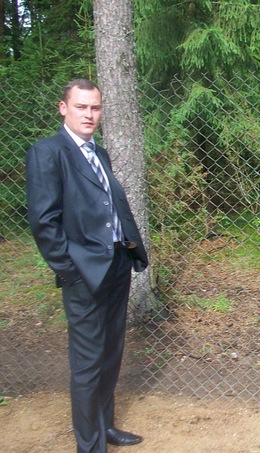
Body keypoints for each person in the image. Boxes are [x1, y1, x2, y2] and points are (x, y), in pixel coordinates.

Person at [26, 78, 149, 452]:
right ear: (63, 108)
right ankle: (90, 446)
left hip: (116, 264)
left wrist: (128, 252)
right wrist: (69, 269)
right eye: (81, 107)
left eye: (95, 107)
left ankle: (104, 425)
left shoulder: (100, 154)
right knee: (87, 362)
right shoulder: (48, 153)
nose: (89, 114)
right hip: (83, 273)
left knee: (110, 353)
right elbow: (44, 221)